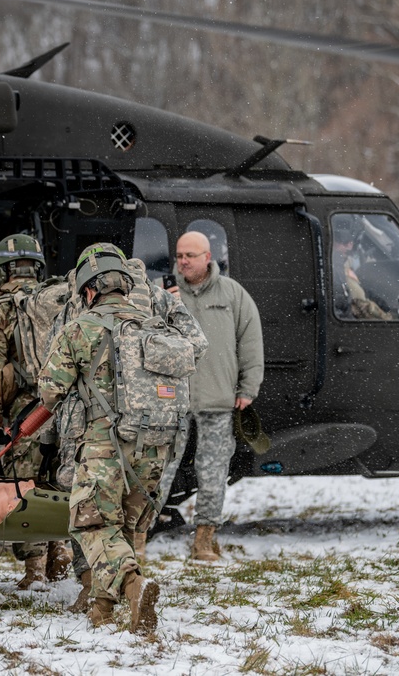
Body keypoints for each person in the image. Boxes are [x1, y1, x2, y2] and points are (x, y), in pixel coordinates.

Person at [37, 243, 166, 632]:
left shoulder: (81, 328)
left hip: (104, 440)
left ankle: (132, 583)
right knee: (124, 526)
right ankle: (103, 610)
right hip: (155, 443)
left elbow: (49, 391)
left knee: (91, 524)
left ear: (89, 290)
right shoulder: (156, 326)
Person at [0, 233, 71, 589]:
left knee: (24, 488)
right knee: (61, 482)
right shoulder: (63, 300)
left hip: (25, 411)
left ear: (0, 272)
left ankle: (34, 571)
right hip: (65, 407)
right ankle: (61, 552)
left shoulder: (1, 309)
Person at [167, 230, 263, 561]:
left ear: (207, 257)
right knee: (158, 472)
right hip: (171, 404)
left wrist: (248, 389)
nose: (183, 261)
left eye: (189, 256)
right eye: (179, 255)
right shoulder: (165, 295)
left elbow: (250, 343)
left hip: (218, 401)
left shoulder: (232, 294)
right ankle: (137, 538)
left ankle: (204, 541)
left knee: (213, 474)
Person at [332, 218, 392, 320]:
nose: (349, 245)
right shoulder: (334, 267)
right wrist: (387, 317)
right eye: (340, 239)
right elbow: (358, 304)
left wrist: (373, 297)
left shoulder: (341, 263)